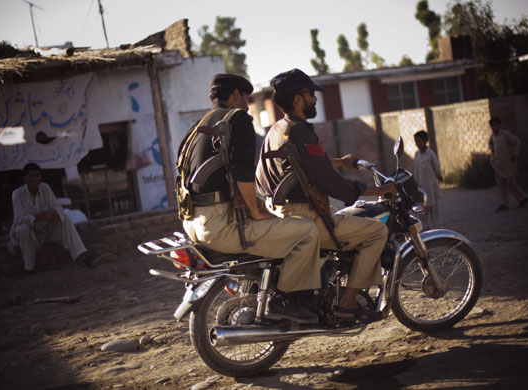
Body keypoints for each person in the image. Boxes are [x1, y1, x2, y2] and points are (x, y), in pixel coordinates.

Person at [178, 73, 321, 323]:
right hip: (221, 225)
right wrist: (255, 210)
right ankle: (284, 302)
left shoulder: (198, 126)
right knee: (307, 231)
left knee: (276, 228)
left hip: (193, 224)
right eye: (245, 99)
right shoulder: (237, 119)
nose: (247, 106)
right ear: (235, 96)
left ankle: (266, 288)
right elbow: (241, 171)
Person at [255, 68, 397, 321]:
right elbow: (328, 182)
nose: (315, 99)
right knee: (377, 231)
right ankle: (348, 303)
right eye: (311, 94)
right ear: (298, 99)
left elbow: (307, 163)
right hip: (305, 217)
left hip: (279, 212)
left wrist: (340, 162)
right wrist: (376, 190)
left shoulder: (278, 129)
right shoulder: (301, 130)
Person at [9, 163, 102, 276]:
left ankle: (81, 255)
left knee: (65, 218)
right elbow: (19, 220)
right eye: (31, 176)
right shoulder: (17, 194)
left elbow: (57, 208)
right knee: (22, 229)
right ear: (25, 178)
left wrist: (55, 214)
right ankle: (29, 269)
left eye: (38, 175)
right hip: (30, 234)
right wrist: (39, 215)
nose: (35, 179)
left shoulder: (45, 188)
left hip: (46, 230)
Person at [488, 117, 528, 212]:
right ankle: (503, 203)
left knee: (511, 183)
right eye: (492, 126)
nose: (494, 127)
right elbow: (491, 145)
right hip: (498, 165)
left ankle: (522, 198)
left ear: (499, 125)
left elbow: (517, 142)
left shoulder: (505, 134)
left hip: (507, 163)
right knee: (500, 185)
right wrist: (493, 156)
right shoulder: (492, 137)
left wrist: (514, 155)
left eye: (496, 125)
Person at [413, 130, 443, 230]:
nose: (417, 143)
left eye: (419, 141)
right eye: (415, 141)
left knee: (435, 212)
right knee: (422, 211)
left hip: (431, 187)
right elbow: (416, 171)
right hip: (421, 188)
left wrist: (439, 176)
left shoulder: (430, 154)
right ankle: (426, 230)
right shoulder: (417, 154)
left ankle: (437, 230)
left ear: (425, 141)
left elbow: (437, 169)